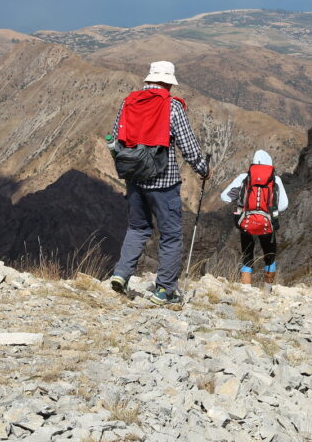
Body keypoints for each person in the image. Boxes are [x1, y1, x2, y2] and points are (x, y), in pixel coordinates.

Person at [108, 60, 209, 306]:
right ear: (167, 82)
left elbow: (115, 136)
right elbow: (187, 144)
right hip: (164, 182)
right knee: (171, 235)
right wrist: (202, 169)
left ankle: (121, 275)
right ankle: (165, 291)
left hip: (134, 179)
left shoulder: (129, 102)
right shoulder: (171, 106)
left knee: (137, 228)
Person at [220, 149, 288, 290]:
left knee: (247, 257)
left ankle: (246, 292)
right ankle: (267, 291)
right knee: (270, 257)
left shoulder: (244, 178)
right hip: (267, 225)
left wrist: (240, 198)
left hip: (247, 223)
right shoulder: (275, 180)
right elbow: (283, 205)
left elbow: (224, 196)